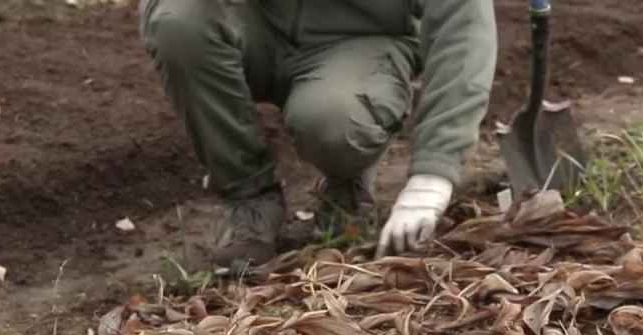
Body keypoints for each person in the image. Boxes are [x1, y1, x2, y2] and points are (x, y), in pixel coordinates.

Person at [138, 0, 496, 271]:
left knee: (333, 124)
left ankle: (346, 183)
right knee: (178, 22)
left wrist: (433, 175)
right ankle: (250, 200)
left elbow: (464, 27)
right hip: (257, 21)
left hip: (362, 38)